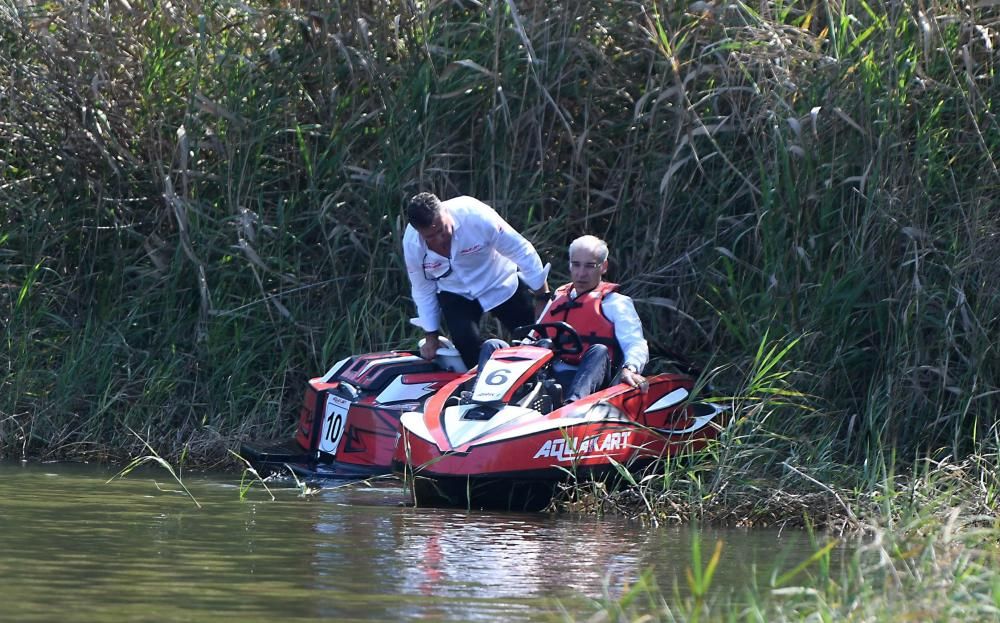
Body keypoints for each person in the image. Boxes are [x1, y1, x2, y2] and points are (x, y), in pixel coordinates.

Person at [403, 192, 551, 369]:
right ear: (419, 233)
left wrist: (542, 297)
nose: (439, 240)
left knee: (534, 336)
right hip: (455, 291)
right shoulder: (412, 244)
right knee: (465, 341)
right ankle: (481, 387)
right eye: (430, 237)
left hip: (498, 280)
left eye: (441, 229)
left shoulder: (475, 215)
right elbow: (422, 288)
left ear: (445, 212)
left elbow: (521, 250)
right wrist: (431, 336)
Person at [537, 235, 649, 402]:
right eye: (576, 265)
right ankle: (488, 403)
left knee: (599, 350)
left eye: (590, 266)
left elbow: (635, 343)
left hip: (593, 378)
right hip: (550, 373)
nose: (581, 273)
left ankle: (572, 406)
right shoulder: (557, 299)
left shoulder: (615, 303)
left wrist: (630, 368)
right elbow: (532, 337)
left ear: (603, 267)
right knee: (495, 345)